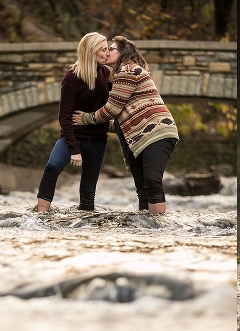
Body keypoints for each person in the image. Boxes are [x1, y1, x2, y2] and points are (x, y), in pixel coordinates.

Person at [73, 35, 179, 214]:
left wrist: (86, 119)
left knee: (152, 180)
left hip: (157, 133)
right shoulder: (120, 75)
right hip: (139, 137)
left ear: (123, 53)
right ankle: (146, 223)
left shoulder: (128, 70)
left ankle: (160, 225)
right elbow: (122, 120)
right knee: (142, 187)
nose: (107, 52)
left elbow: (111, 110)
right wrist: (93, 125)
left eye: (111, 49)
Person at [36, 32, 112, 213]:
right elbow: (64, 116)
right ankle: (40, 215)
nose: (107, 53)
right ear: (92, 51)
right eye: (103, 50)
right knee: (52, 167)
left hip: (98, 139)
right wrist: (74, 149)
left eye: (108, 49)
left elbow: (115, 105)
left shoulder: (107, 74)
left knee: (88, 189)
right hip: (72, 138)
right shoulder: (72, 77)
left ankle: (84, 223)